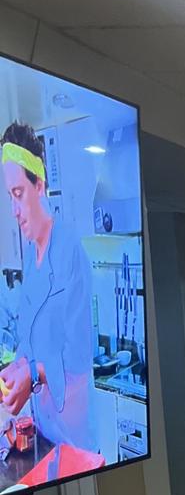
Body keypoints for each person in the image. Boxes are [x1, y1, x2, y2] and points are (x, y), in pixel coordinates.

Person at [0, 121, 99, 459]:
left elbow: (79, 356)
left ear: (38, 185)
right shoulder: (31, 256)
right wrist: (17, 366)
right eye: (9, 196)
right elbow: (31, 338)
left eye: (18, 194)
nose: (14, 211)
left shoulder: (69, 249)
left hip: (75, 441)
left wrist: (33, 373)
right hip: (45, 434)